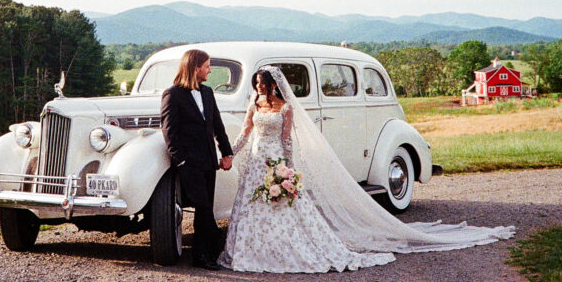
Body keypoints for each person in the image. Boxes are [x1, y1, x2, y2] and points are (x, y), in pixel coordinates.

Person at [219, 66, 515, 273]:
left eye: (261, 84)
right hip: (258, 159)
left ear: (272, 84)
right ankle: (253, 249)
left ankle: (284, 248)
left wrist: (289, 170)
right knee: (251, 204)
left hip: (276, 159)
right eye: (255, 84)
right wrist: (231, 151)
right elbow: (246, 132)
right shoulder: (255, 103)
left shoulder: (285, 107)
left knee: (283, 205)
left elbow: (286, 140)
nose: (258, 88)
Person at [160, 49, 234, 270]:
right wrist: (180, 161)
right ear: (195, 68)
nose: (210, 70)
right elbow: (169, 133)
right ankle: (210, 248)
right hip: (188, 163)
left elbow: (217, 126)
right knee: (202, 207)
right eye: (207, 66)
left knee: (205, 210)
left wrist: (227, 153)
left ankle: (202, 257)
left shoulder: (208, 92)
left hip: (209, 162)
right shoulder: (172, 94)